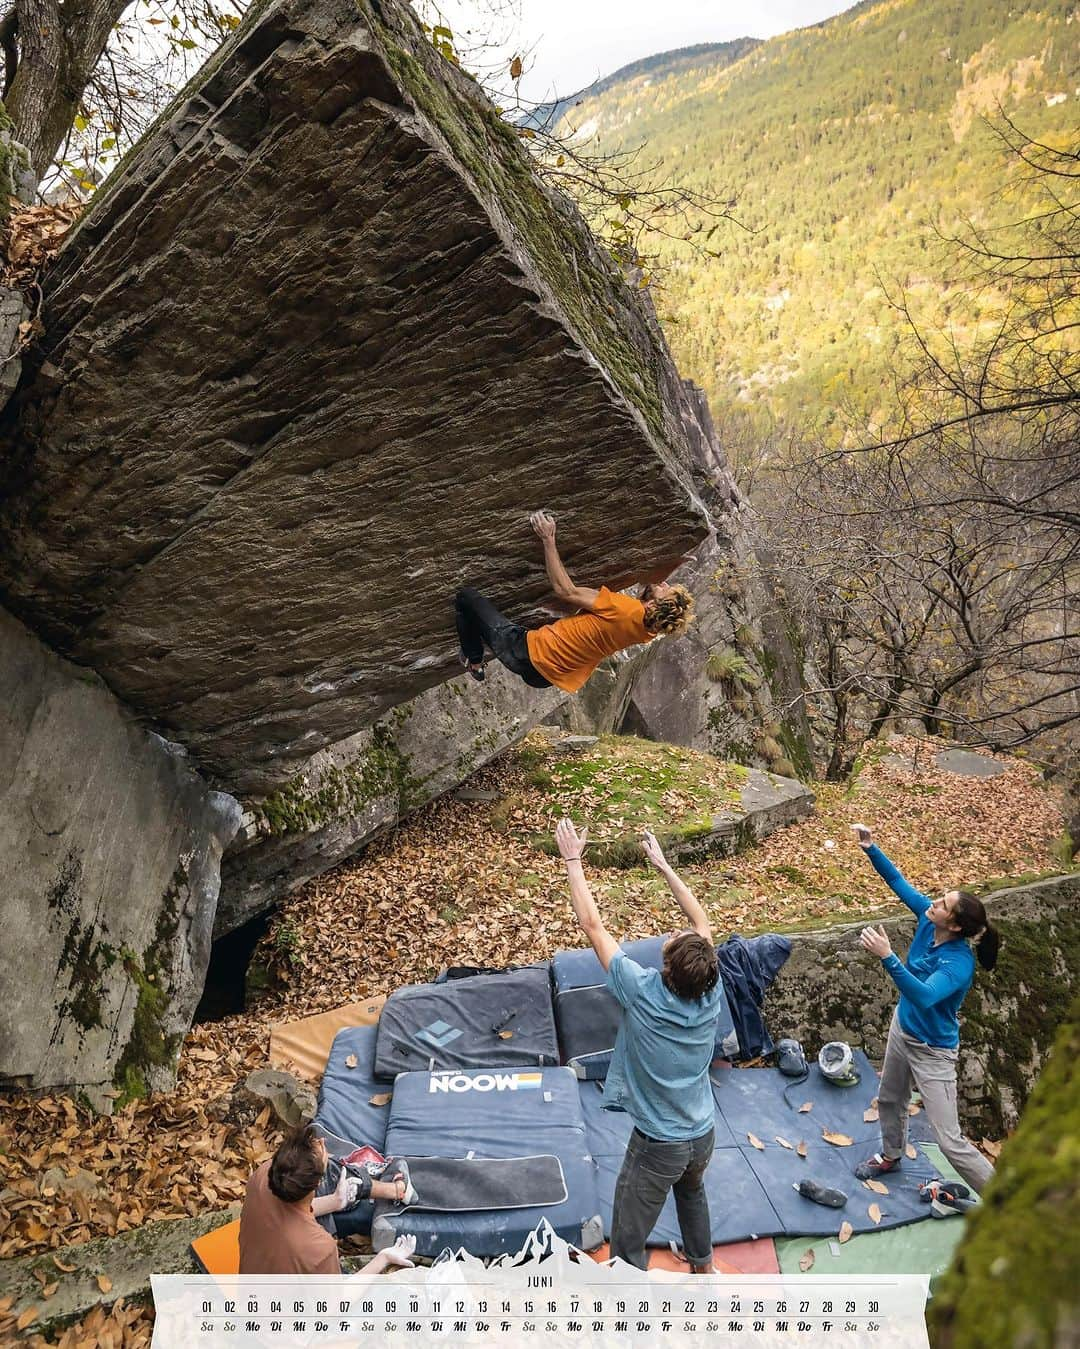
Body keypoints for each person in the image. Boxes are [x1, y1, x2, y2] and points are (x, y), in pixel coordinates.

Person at [555, 817, 722, 1272]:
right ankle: (704, 1267)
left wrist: (573, 860)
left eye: (674, 940)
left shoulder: (642, 990)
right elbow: (701, 920)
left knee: (628, 1233)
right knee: (692, 1192)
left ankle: (628, 1301)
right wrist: (664, 866)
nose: (675, 932)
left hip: (659, 1144)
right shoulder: (712, 987)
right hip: (702, 1134)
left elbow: (592, 925)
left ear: (668, 967)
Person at [850, 823, 1000, 1195]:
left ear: (955, 924)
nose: (932, 902)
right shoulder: (926, 919)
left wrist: (887, 957)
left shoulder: (958, 964)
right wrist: (871, 848)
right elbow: (898, 882)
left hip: (933, 1049)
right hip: (904, 1029)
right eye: (938, 899)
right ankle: (890, 1154)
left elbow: (923, 995)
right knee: (889, 1098)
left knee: (950, 1141)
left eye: (942, 904)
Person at [455, 511, 693, 690]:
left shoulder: (623, 609)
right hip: (548, 678)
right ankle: (476, 656)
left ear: (654, 605)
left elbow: (565, 591)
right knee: (478, 620)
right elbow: (647, 590)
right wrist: (672, 560)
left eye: (666, 590)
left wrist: (548, 539)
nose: (664, 584)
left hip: (529, 653)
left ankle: (474, 660)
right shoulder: (647, 631)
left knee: (465, 598)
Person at [239, 1124, 417, 1275]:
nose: (323, 1141)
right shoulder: (319, 1247)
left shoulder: (261, 1176)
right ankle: (396, 1190)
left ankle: (395, 1190)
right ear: (317, 1184)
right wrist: (383, 1258)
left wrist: (334, 1201)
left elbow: (289, 1212)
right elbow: (337, 1303)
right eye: (319, 1147)